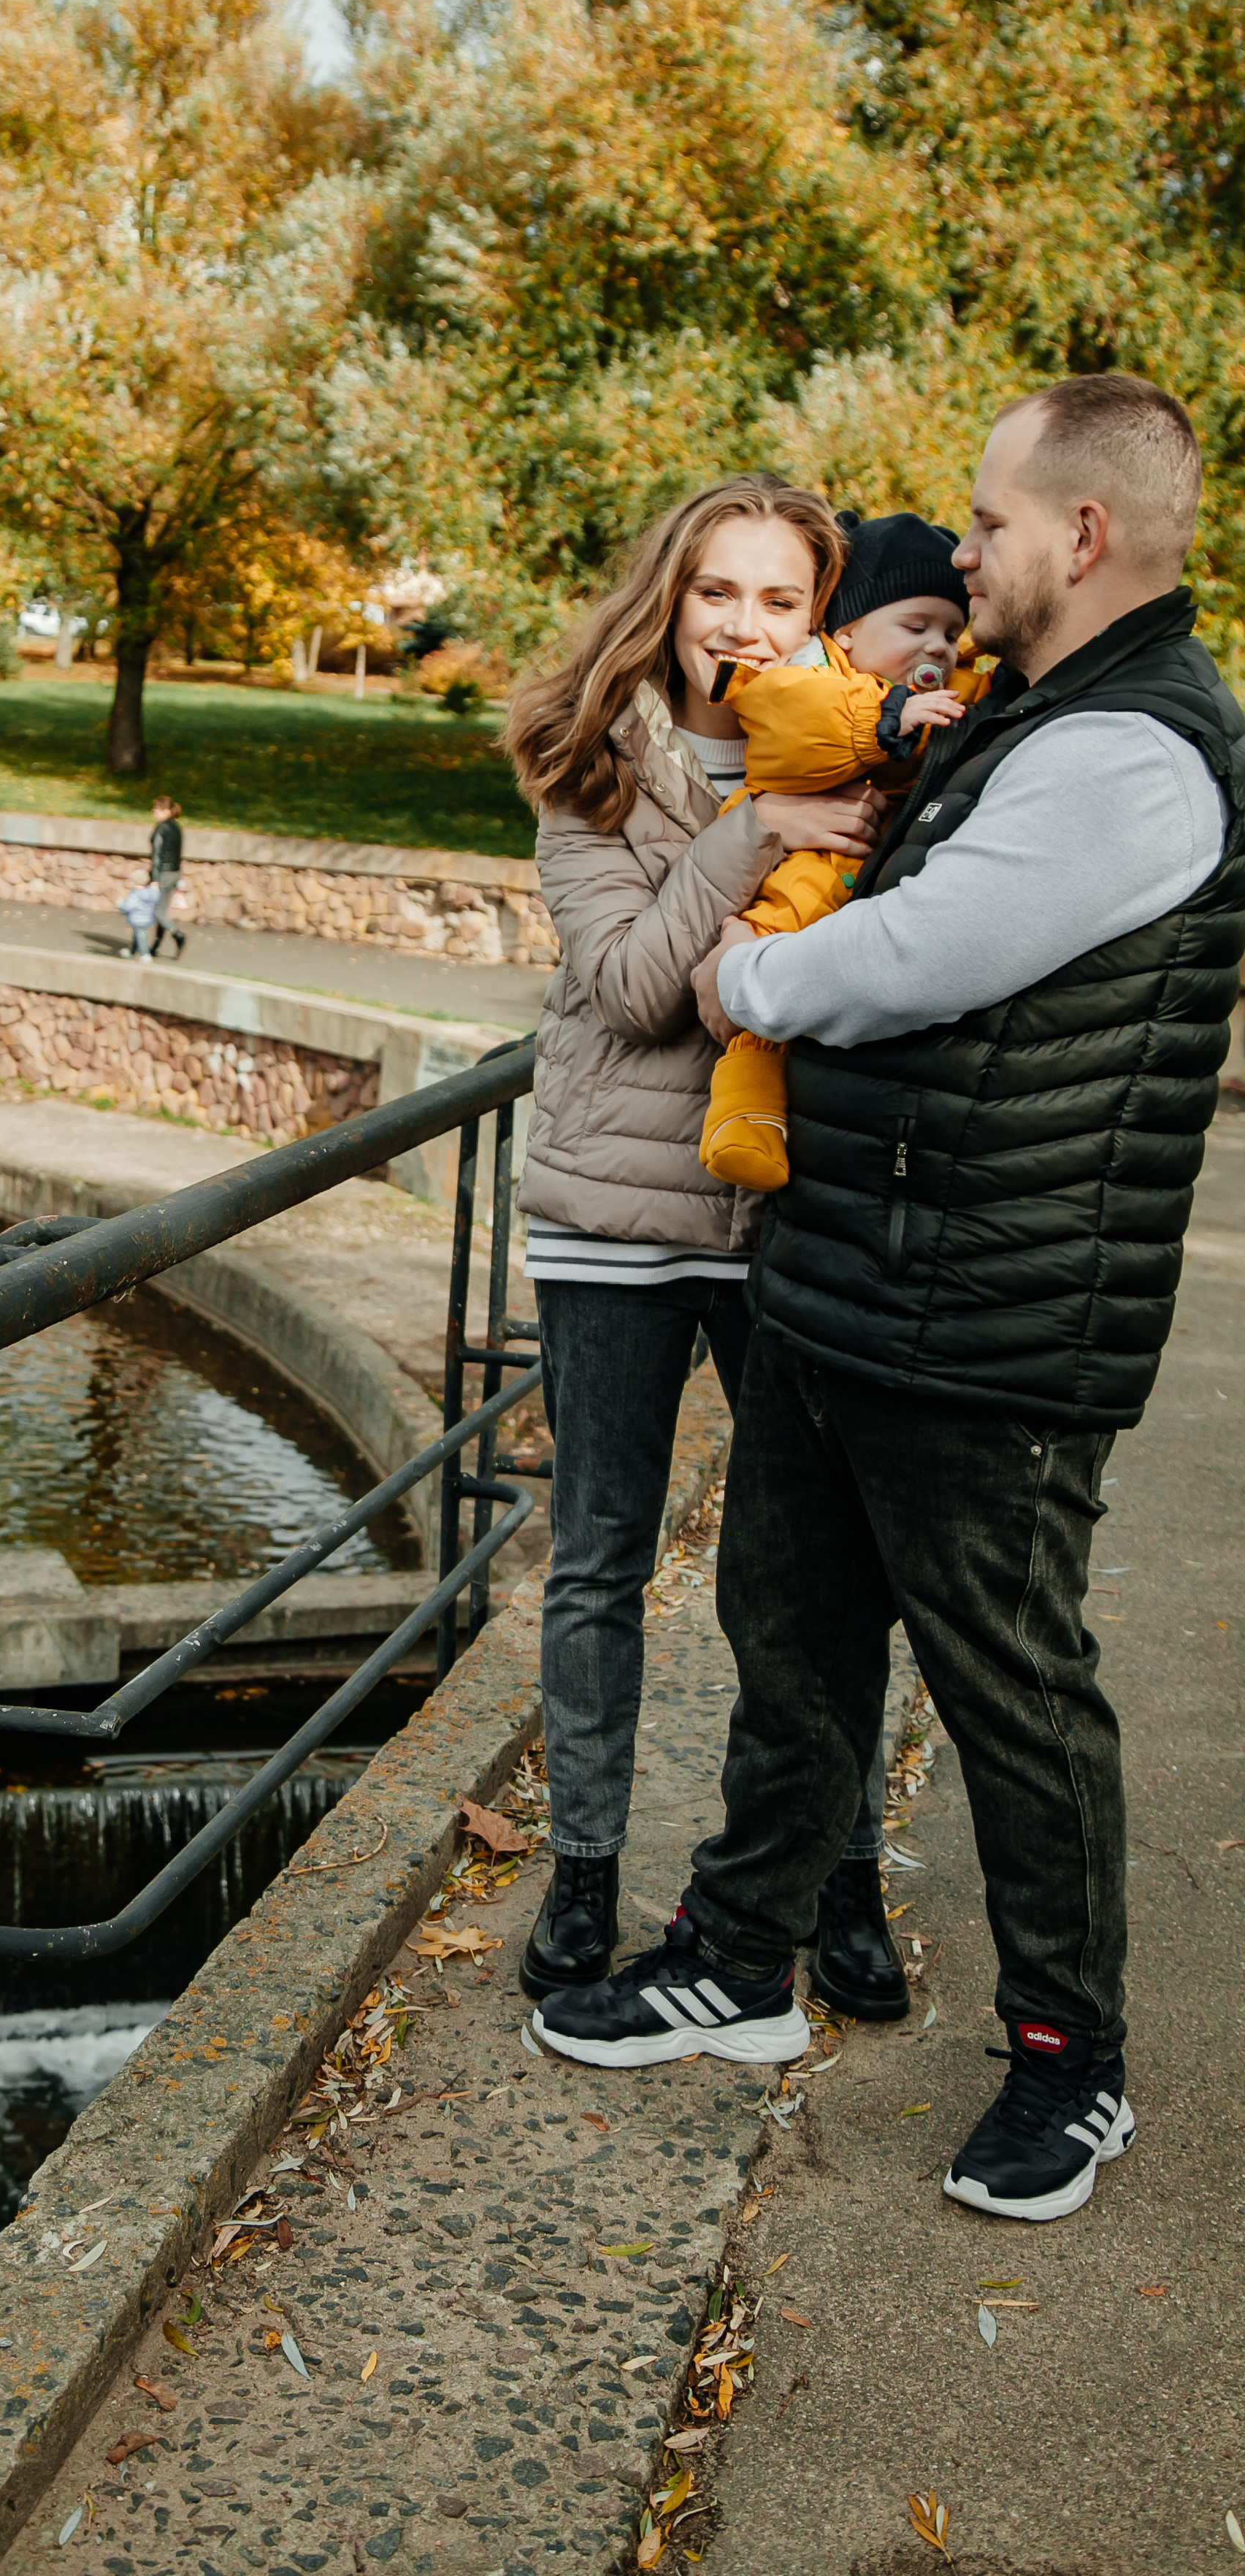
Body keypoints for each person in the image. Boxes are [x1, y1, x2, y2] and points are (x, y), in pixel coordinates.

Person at [532, 375, 1245, 2229]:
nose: (963, 547)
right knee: (790, 1629)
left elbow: (910, 954)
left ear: (1078, 537)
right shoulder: (1041, 713)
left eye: (992, 520)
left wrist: (757, 990)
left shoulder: (1131, 747)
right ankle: (737, 1950)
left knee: (1012, 1688)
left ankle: (1064, 2057)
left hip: (988, 1311)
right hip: (859, 1280)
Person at [504, 477, 903, 2019]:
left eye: (777, 600)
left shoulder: (877, 756)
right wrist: (751, 836)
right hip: (614, 1213)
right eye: (714, 594)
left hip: (781, 1214)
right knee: (597, 1561)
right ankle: (584, 1871)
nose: (743, 627)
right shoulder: (584, 767)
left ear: (818, 617)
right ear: (666, 603)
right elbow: (621, 987)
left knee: (812, 1574)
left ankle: (837, 1879)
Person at [700, 516, 983, 1190]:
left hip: (858, 874)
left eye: (950, 631)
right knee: (767, 974)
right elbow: (800, 725)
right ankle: (744, 1116)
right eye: (915, 628)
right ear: (848, 631)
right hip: (797, 872)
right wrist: (887, 718)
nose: (937, 646)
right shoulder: (808, 677)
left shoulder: (928, 689)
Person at [149, 795, 187, 958]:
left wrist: (154, 879)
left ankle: (178, 935)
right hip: (174, 873)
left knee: (156, 911)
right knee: (162, 911)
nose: (154, 812)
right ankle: (156, 946)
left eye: (157, 809)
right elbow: (178, 853)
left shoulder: (161, 828)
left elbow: (156, 856)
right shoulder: (177, 828)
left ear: (166, 811)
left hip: (162, 874)